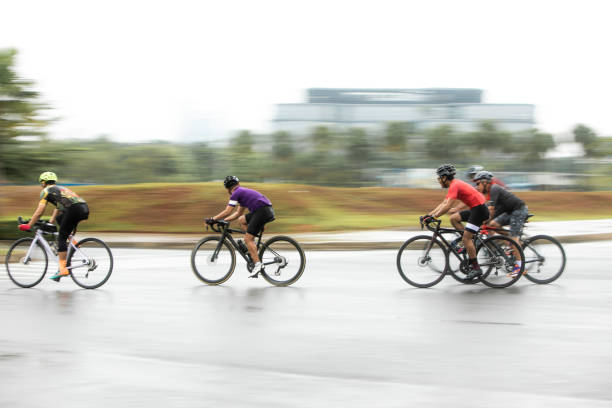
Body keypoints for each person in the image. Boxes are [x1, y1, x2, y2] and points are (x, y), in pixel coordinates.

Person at [18, 171, 89, 281]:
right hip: (83, 208)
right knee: (60, 218)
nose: (41, 185)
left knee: (61, 236)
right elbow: (58, 207)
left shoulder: (45, 191)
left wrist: (29, 225)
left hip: (73, 210)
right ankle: (73, 242)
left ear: (43, 183)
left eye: (41, 183)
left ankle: (62, 269)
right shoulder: (60, 189)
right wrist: (51, 221)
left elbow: (40, 211)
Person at [425, 164, 489, 280]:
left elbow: (448, 205)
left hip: (479, 209)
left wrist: (434, 217)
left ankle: (476, 268)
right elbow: (444, 203)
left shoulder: (455, 185)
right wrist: (429, 215)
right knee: (454, 218)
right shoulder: (454, 185)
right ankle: (468, 243)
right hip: (476, 208)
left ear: (444, 177)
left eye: (439, 178)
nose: (439, 180)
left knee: (466, 238)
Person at [206, 176, 275, 278]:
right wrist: (224, 221)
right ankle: (253, 246)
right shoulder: (241, 193)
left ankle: (258, 265)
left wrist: (213, 219)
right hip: (265, 210)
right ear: (237, 183)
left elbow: (228, 211)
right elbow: (238, 213)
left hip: (262, 212)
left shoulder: (236, 193)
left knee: (247, 239)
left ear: (228, 188)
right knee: (242, 220)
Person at [473, 170, 527, 277]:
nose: (477, 186)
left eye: (478, 183)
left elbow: (491, 210)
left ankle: (520, 267)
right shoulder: (489, 192)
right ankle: (510, 242)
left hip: (519, 210)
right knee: (492, 225)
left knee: (513, 237)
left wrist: (482, 221)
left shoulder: (494, 189)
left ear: (485, 182)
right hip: (509, 211)